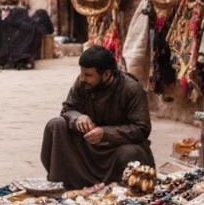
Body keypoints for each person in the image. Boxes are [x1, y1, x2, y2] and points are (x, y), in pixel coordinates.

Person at [41, 45, 155, 189]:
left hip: (116, 149)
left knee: (129, 153)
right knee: (55, 125)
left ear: (106, 75)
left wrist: (105, 133)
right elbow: (68, 109)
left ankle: (113, 188)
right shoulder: (82, 83)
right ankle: (63, 182)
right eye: (82, 73)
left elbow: (142, 128)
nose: (82, 78)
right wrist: (78, 117)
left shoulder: (131, 89)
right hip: (88, 150)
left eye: (88, 75)